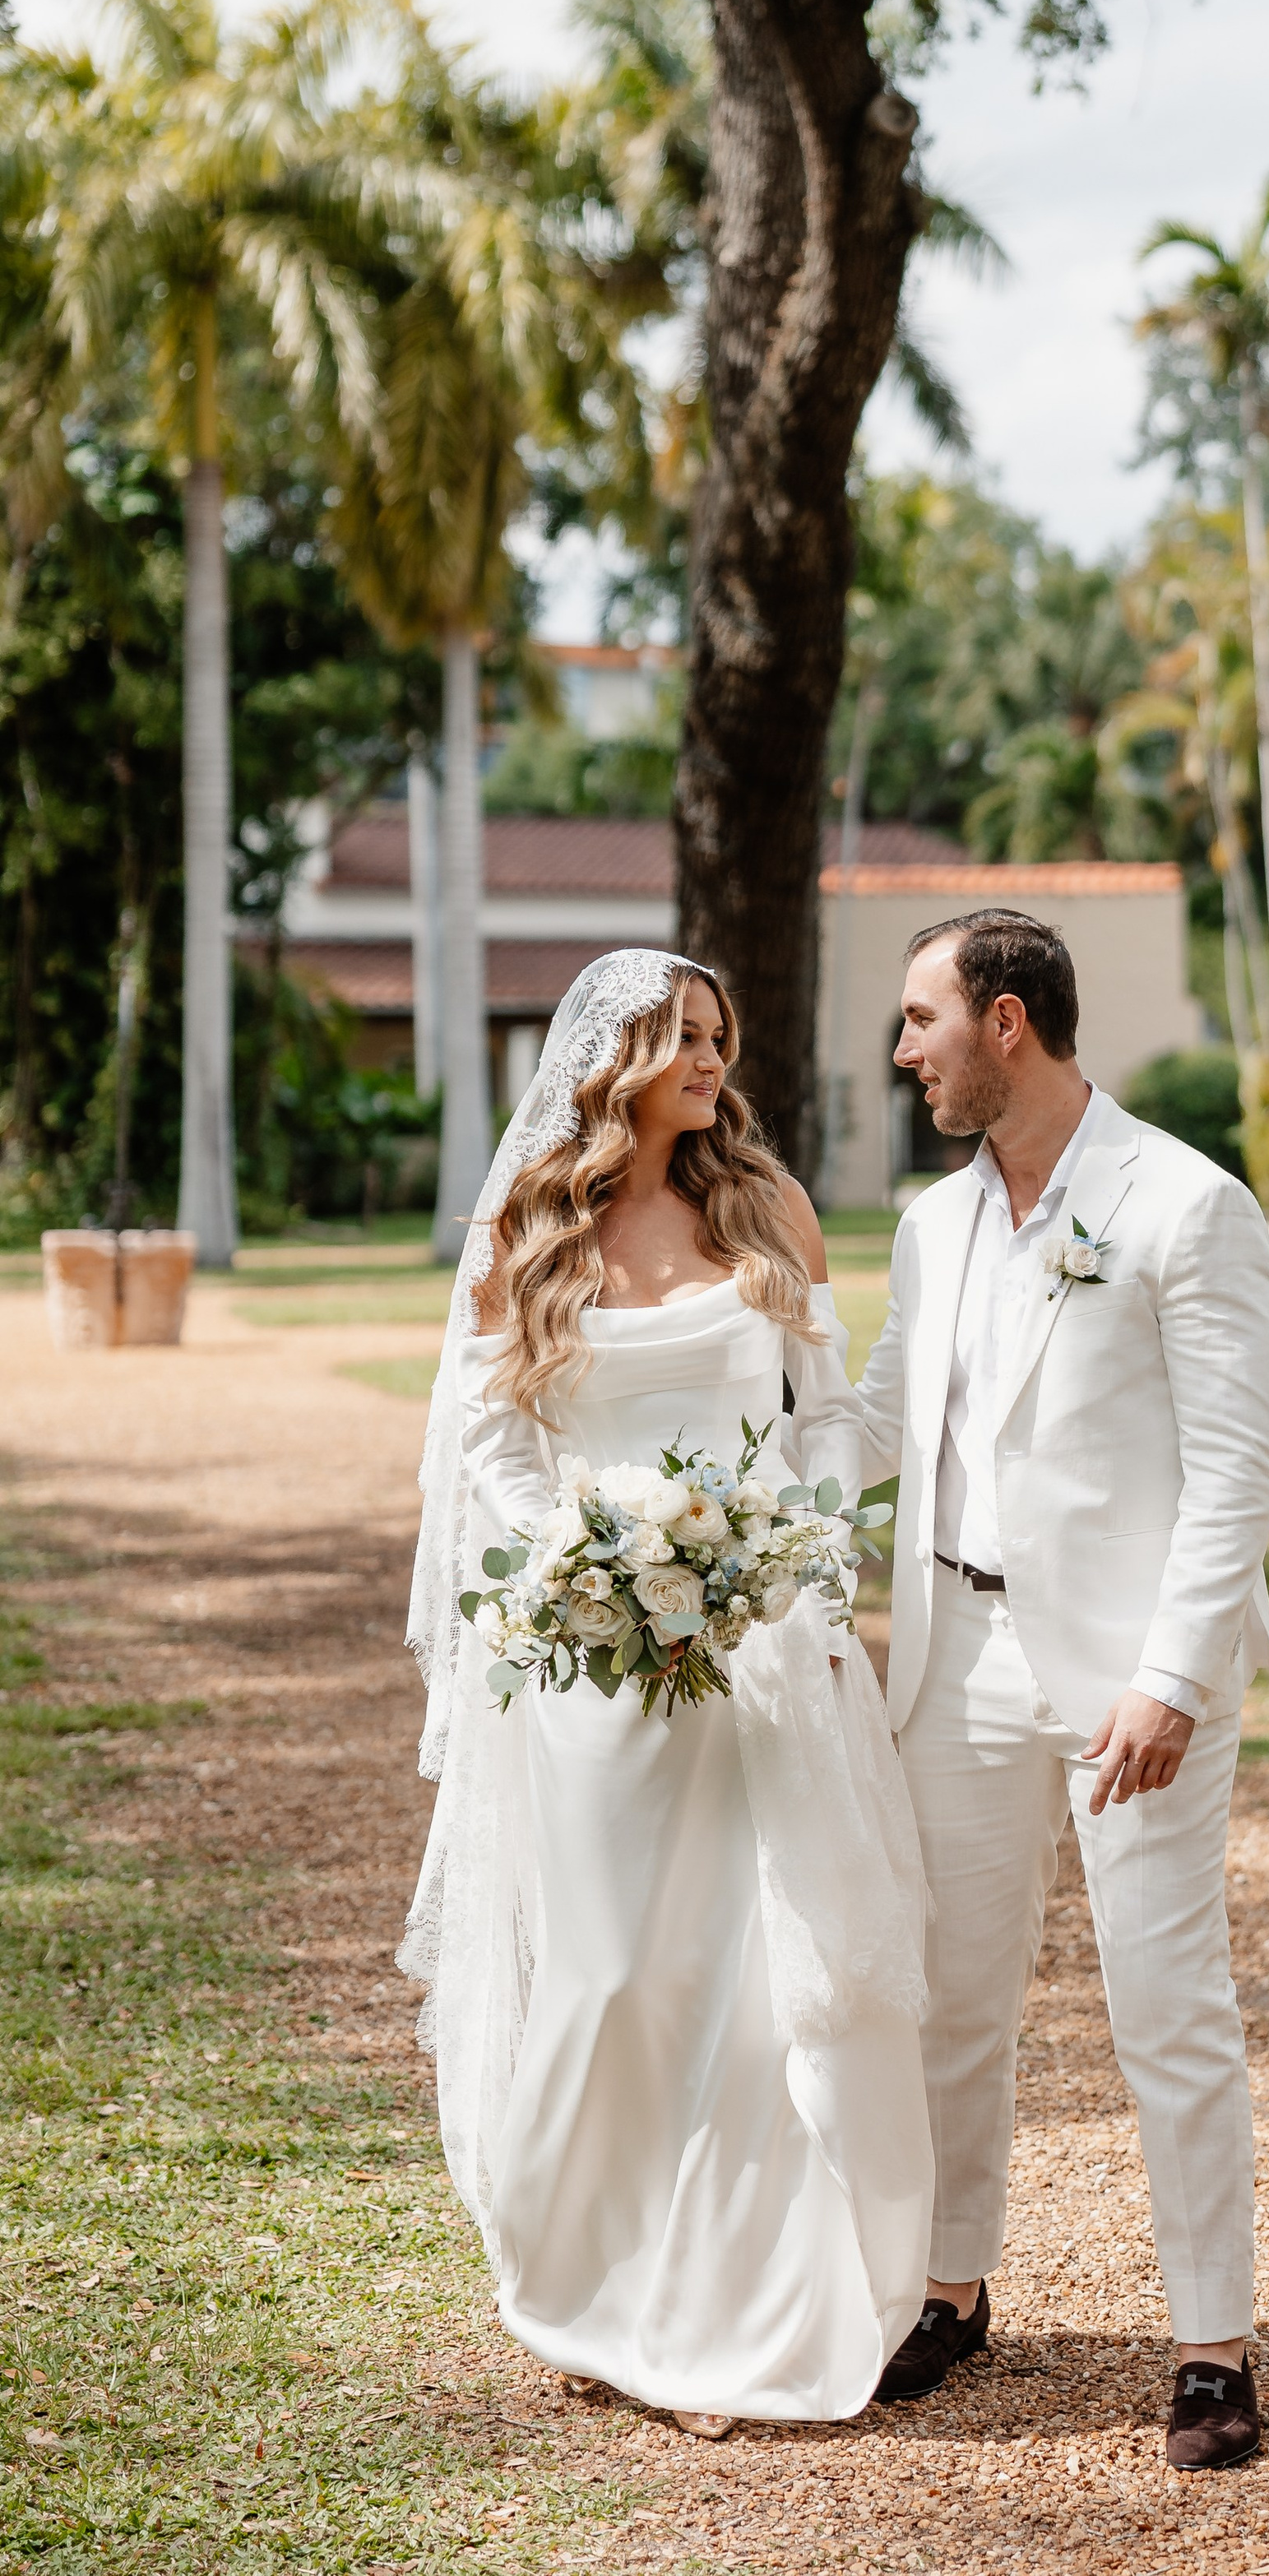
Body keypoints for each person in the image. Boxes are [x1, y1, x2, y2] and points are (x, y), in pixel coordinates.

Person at [401, 947, 933, 2431]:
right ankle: (595, 2283)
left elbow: (822, 1422)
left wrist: (804, 1570)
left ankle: (729, 2317)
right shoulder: (526, 1228)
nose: (710, 1059)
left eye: (717, 1036)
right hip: (592, 1674)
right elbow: (493, 1443)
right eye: (683, 1036)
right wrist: (579, 1569)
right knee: (618, 1975)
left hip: (759, 1653)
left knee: (755, 1985)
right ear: (613, 1058)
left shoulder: (767, 1210)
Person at [856, 909, 1269, 2471]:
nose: (904, 1050)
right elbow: (880, 1420)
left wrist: (1173, 1679)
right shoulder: (930, 1226)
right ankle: (949, 2286)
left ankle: (1212, 2345)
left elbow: (1237, 1471)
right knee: (952, 1992)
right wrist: (699, 1482)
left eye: (922, 1019)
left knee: (1167, 2003)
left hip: (1130, 1670)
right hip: (957, 1655)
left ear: (1008, 1022)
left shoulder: (1186, 1202)